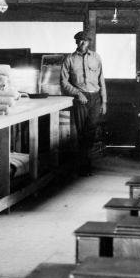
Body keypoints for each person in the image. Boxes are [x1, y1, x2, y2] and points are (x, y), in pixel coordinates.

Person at [60, 30, 106, 176]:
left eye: (85, 41)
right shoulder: (69, 59)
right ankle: (84, 166)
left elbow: (102, 80)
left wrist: (104, 101)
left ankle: (85, 163)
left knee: (91, 131)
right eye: (79, 41)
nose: (82, 43)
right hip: (80, 98)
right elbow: (63, 82)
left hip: (95, 97)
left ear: (89, 42)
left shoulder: (96, 57)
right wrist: (77, 93)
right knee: (82, 133)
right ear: (76, 42)